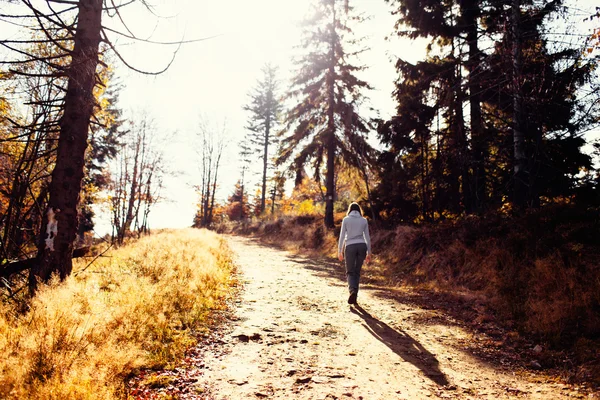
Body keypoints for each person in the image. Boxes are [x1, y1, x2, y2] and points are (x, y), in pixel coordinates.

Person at [338, 202, 371, 305]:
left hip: (350, 246)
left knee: (350, 271)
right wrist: (369, 252)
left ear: (350, 210)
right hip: (362, 246)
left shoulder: (346, 220)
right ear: (359, 210)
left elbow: (342, 236)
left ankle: (352, 291)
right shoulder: (364, 220)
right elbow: (367, 237)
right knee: (356, 272)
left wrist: (340, 251)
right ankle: (355, 295)